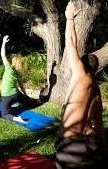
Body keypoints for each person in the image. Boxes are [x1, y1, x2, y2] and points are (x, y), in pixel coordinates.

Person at [55, 2, 107, 169]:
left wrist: (69, 19)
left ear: (83, 65)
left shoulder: (81, 76)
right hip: (81, 145)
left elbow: (71, 45)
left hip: (70, 146)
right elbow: (98, 127)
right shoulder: (95, 91)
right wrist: (104, 151)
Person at [0, 35, 43, 124]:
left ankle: (17, 119)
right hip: (15, 94)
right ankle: (35, 102)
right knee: (28, 103)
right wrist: (26, 95)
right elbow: (21, 85)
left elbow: (2, 55)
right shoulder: (18, 73)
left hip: (6, 95)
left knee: (4, 114)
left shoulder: (9, 68)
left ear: (13, 63)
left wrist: (4, 42)